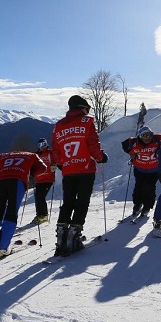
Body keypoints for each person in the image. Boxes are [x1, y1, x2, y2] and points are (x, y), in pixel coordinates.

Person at [51, 95, 108, 256]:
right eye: (87, 108)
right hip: (85, 168)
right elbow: (92, 143)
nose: (87, 111)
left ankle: (61, 239)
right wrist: (101, 157)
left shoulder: (58, 126)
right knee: (82, 202)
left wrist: (62, 163)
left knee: (68, 202)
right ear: (82, 108)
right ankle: (73, 238)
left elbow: (56, 150)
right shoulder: (87, 121)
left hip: (68, 170)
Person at [0, 150, 47, 260]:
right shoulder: (32, 155)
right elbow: (43, 169)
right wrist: (32, 171)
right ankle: (2, 248)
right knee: (11, 213)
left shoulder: (3, 155)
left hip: (1, 181)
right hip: (18, 180)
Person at [121, 125, 161, 219]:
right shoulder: (134, 142)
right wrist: (130, 153)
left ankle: (147, 206)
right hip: (139, 169)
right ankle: (138, 204)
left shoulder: (157, 139)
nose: (147, 138)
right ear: (139, 136)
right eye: (144, 135)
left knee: (150, 188)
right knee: (138, 187)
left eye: (149, 135)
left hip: (154, 170)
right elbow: (124, 144)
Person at [31, 137, 56, 224]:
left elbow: (56, 159)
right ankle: (39, 214)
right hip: (38, 180)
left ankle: (43, 215)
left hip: (48, 179)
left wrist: (54, 165)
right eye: (41, 145)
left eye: (44, 144)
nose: (43, 146)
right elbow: (32, 165)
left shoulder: (50, 153)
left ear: (47, 145)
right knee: (38, 198)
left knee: (41, 197)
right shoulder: (36, 155)